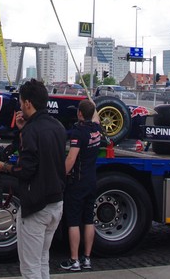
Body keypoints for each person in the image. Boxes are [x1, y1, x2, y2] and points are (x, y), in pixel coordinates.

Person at [0, 79, 66, 279]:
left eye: (21, 102)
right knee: (42, 259)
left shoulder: (32, 130)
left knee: (30, 267)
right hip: (56, 202)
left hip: (36, 206)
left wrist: (3, 166)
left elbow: (25, 170)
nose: (20, 106)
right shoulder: (58, 126)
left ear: (28, 103)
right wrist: (24, 129)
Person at [59, 99, 103, 271]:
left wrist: (60, 175)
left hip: (77, 182)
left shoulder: (78, 132)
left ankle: (74, 260)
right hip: (92, 181)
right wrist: (93, 106)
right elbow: (96, 118)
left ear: (79, 113)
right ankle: (87, 258)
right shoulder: (97, 130)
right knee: (89, 220)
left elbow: (71, 158)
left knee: (73, 222)